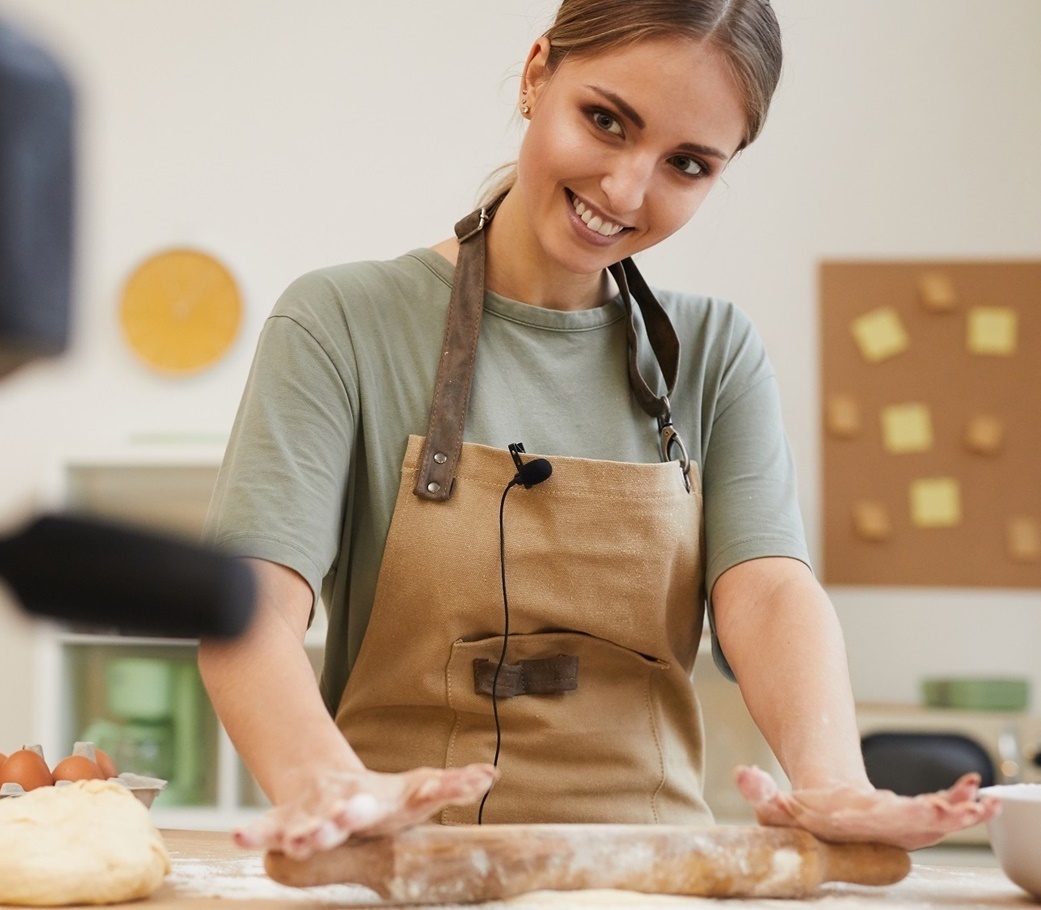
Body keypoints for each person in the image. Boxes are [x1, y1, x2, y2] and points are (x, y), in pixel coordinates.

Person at [198, 0, 998, 860]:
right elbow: (247, 606)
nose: (625, 191)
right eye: (605, 120)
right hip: (399, 862)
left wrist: (832, 780)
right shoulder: (343, 321)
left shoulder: (714, 352)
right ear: (537, 71)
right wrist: (325, 782)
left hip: (651, 872)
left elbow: (766, 593)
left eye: (685, 164)